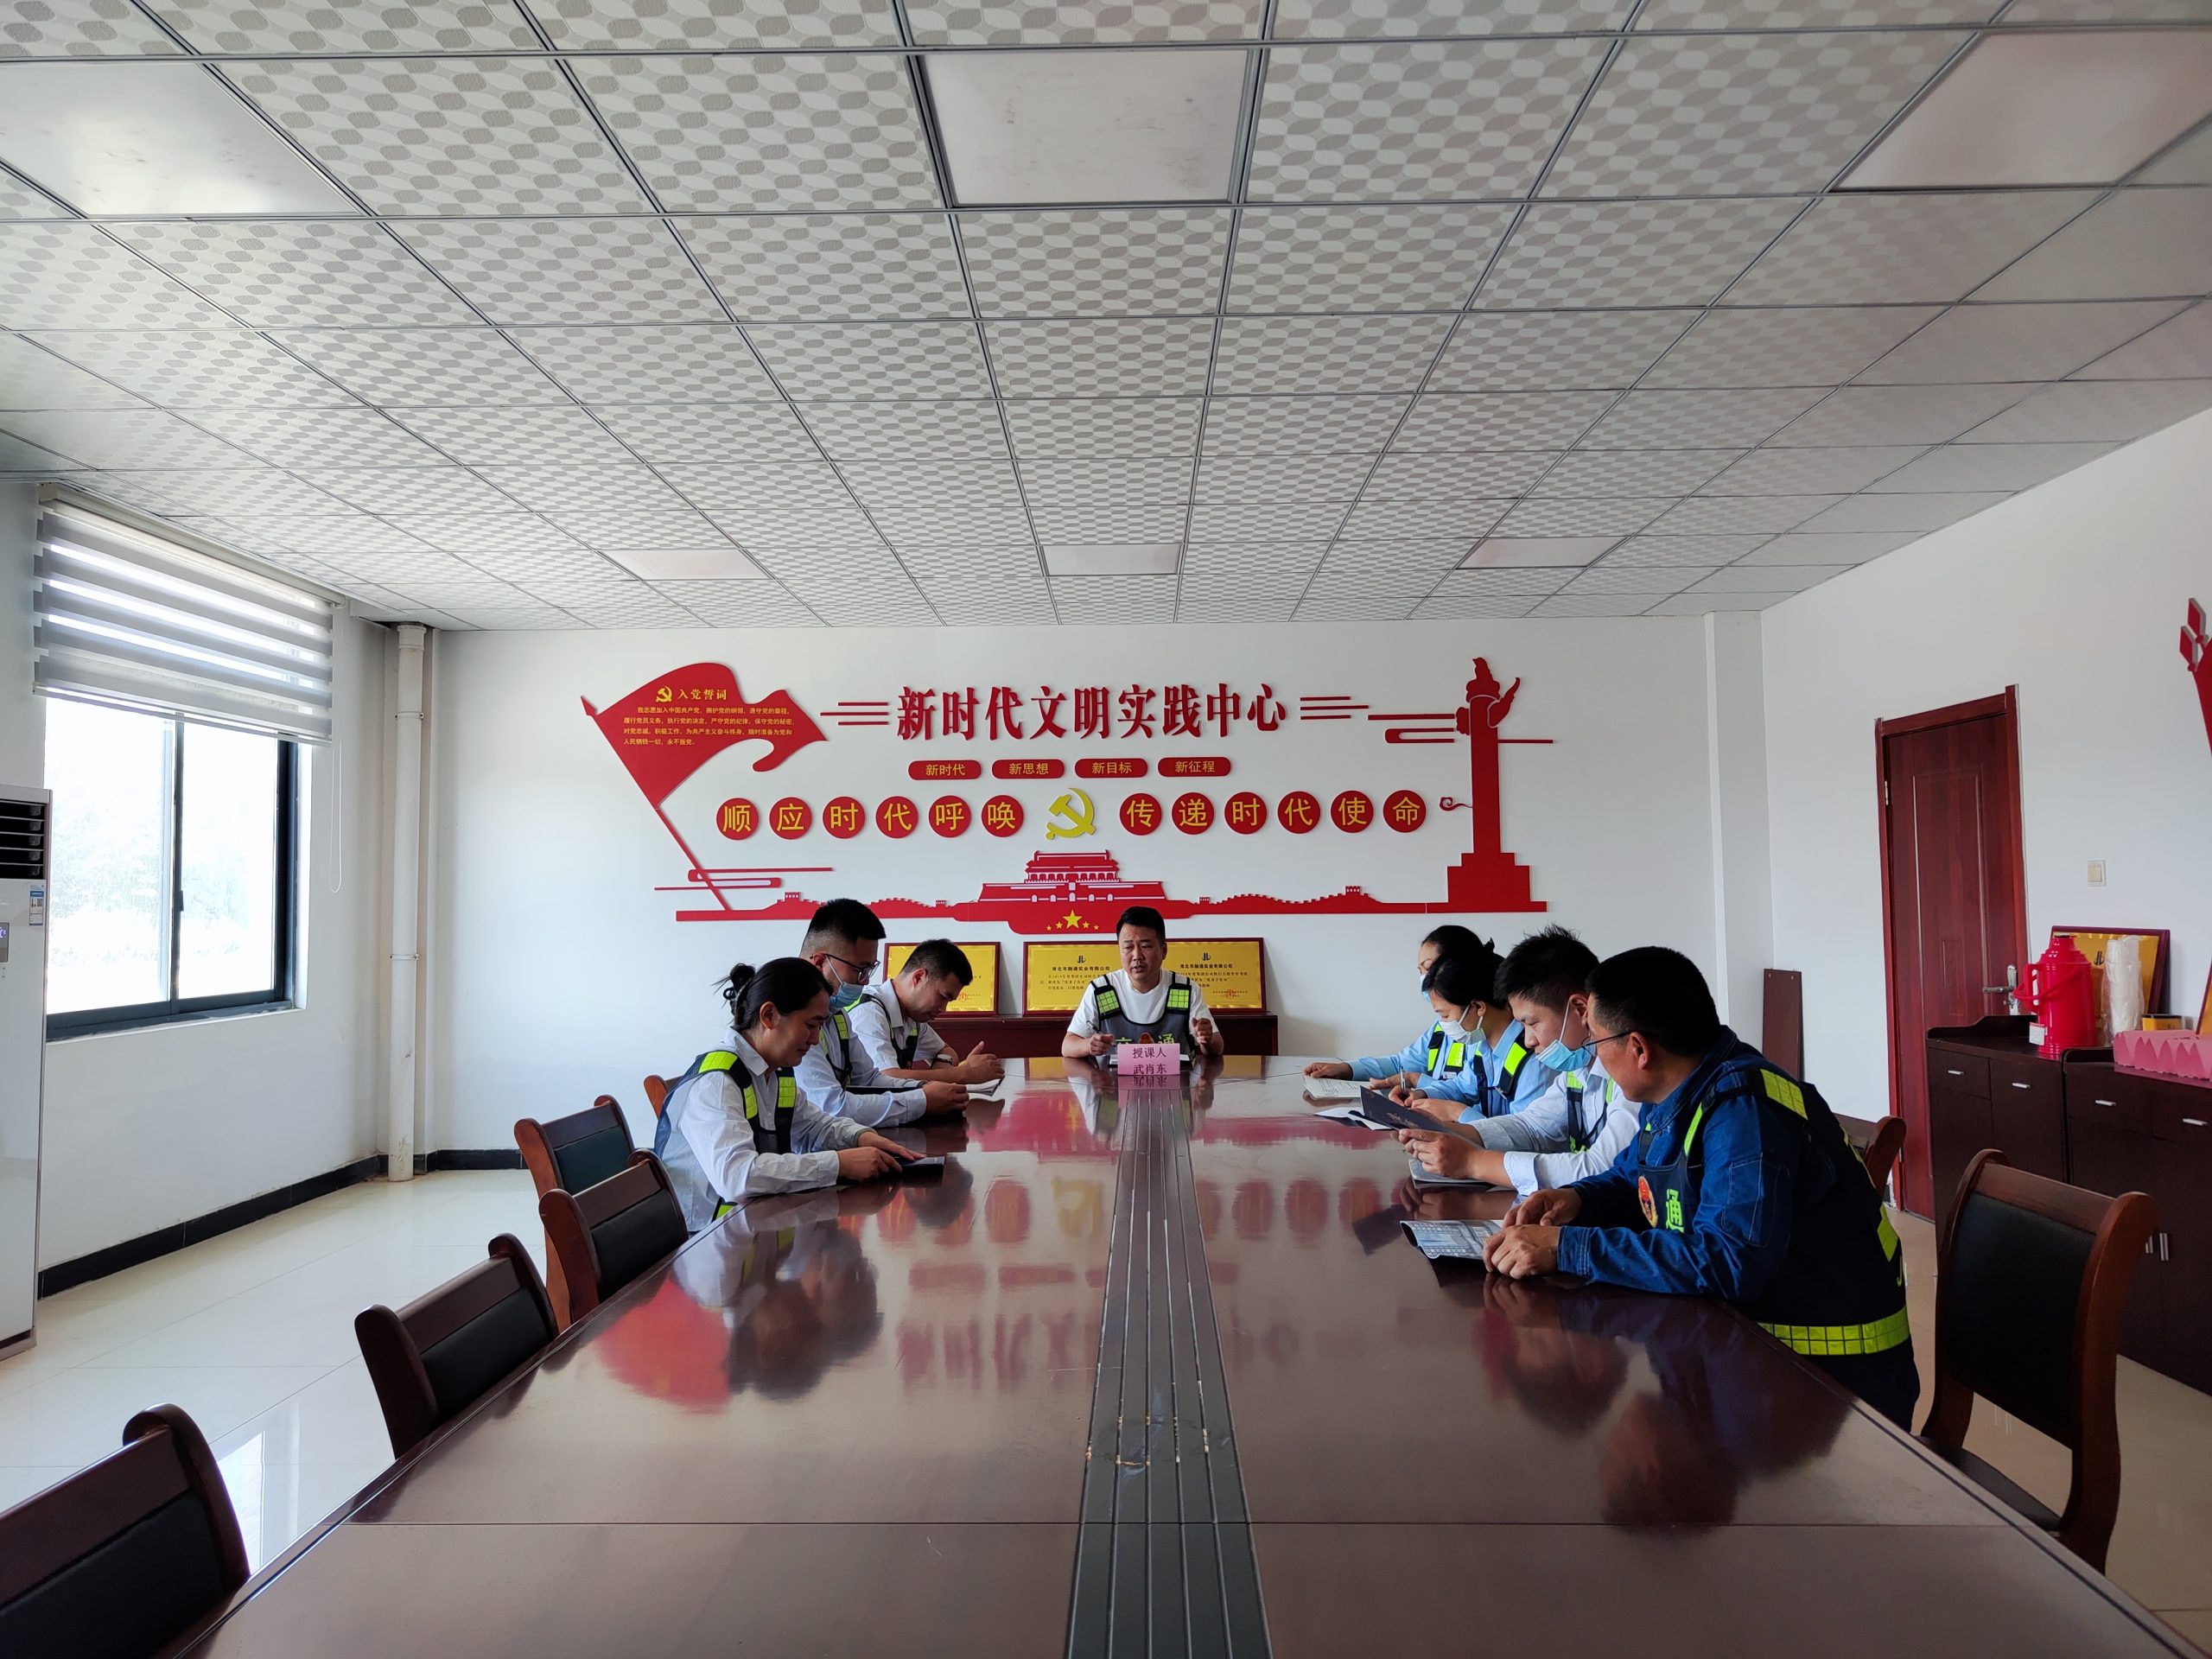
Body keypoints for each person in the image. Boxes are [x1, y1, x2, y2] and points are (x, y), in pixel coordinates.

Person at [1482, 947, 1917, 1428]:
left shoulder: (1745, 1112)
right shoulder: (1677, 1089)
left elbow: (1729, 1261)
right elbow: (1633, 1177)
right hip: (1745, 1349)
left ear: (1639, 1049)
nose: (1595, 1056)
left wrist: (1568, 1248)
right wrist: (1575, 1199)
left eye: (1596, 1042)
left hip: (1828, 1384)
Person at [655, 958, 918, 1230]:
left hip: (756, 1226)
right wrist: (838, 1165)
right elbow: (737, 1177)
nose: (815, 1039)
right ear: (769, 1016)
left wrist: (860, 1136)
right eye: (811, 1025)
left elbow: (815, 1126)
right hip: (707, 1241)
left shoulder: (774, 1071)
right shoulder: (717, 1083)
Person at [1399, 926, 1635, 1194]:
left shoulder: (1629, 1073)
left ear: (1580, 1009)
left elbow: (1602, 1167)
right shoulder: (1577, 1068)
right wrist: (1448, 1131)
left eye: (1532, 1023)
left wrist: (1474, 1162)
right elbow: (1532, 1125)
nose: (1528, 1040)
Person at [795, 899, 969, 1127]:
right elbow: (832, 1107)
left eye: (870, 969)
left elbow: (869, 1080)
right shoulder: (791, 1017)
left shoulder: (837, 1014)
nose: (866, 980)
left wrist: (924, 1089)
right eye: (860, 970)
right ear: (820, 962)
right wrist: (922, 1100)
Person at [1388, 935, 1555, 1120]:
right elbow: (1462, 1088)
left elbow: (1525, 1131)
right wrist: (1422, 1094)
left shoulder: (1533, 1058)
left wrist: (1455, 1112)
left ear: (1477, 1007)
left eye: (1445, 1015)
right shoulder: (1482, 1047)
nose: (1443, 1024)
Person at [1302, 923, 1479, 1088]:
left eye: (1429, 968)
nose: (1425, 979)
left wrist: (1417, 1082)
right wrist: (1347, 1069)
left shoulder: (1480, 1031)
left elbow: (1468, 1093)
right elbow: (1400, 1064)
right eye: (1421, 971)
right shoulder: (1442, 1027)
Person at [1060, 906, 1224, 1059]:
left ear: (1164, 950)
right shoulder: (1102, 990)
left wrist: (1207, 1039)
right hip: (1111, 1080)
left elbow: (1217, 1047)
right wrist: (1088, 1045)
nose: (1137, 956)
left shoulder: (1185, 989)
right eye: (1128, 947)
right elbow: (1068, 1045)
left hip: (1176, 1080)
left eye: (1145, 946)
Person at [847, 938, 1004, 1088]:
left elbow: (946, 1051)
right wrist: (961, 1074)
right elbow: (887, 1079)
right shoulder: (869, 1015)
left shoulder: (912, 1016)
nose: (943, 1009)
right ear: (919, 977)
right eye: (943, 996)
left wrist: (943, 1068)